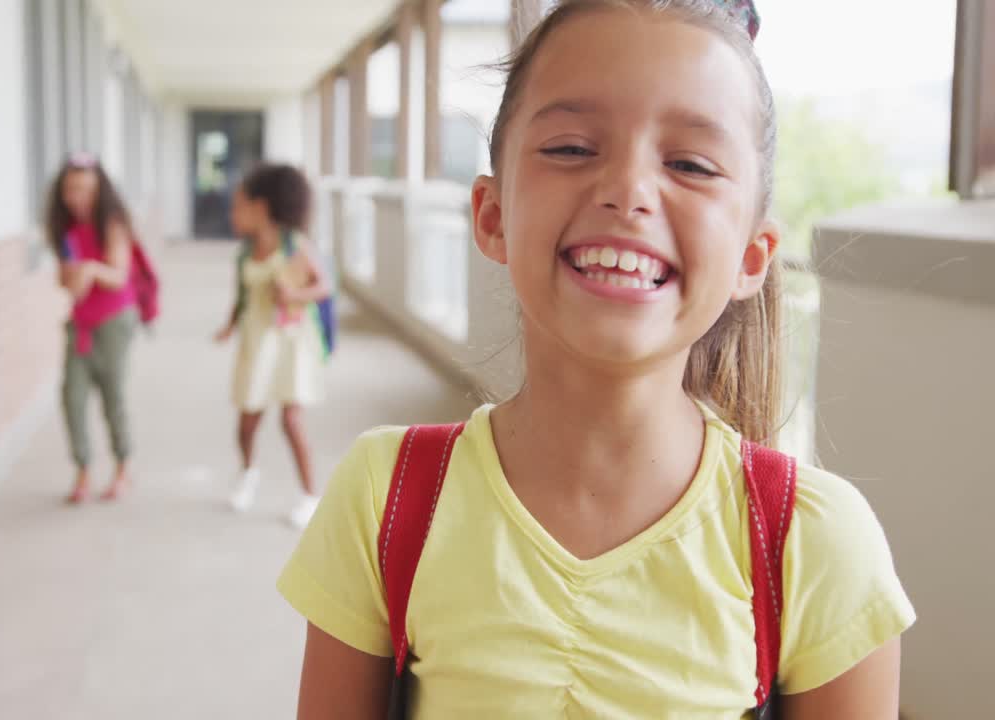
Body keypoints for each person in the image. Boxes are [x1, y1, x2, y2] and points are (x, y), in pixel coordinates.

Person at [276, 1, 916, 717]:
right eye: (572, 149)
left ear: (751, 256)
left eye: (690, 164)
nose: (629, 191)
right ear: (491, 216)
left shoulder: (815, 541)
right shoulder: (386, 497)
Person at [215, 164, 330, 528]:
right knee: (248, 419)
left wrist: (294, 293)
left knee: (292, 420)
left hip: (290, 345)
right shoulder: (245, 252)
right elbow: (242, 295)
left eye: (238, 207)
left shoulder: (295, 246)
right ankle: (248, 474)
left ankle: (310, 495)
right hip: (256, 342)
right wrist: (229, 325)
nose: (232, 215)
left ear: (261, 208)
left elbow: (323, 287)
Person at [46, 152, 139, 504]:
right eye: (71, 190)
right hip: (80, 325)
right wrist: (74, 276)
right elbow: (65, 278)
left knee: (113, 396)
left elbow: (118, 275)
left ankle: (123, 467)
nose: (77, 198)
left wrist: (91, 269)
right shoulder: (64, 228)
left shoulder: (113, 223)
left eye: (85, 190)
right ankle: (83, 467)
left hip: (114, 323)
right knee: (72, 397)